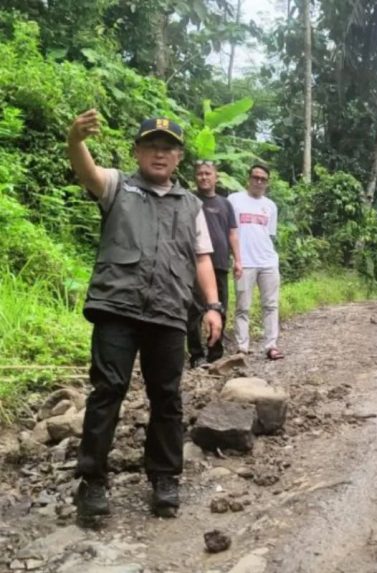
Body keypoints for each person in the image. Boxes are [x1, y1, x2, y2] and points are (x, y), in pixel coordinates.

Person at [67, 111, 223, 518]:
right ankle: (92, 481)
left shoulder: (191, 205)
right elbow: (87, 173)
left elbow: (202, 258)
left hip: (169, 310)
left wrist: (212, 306)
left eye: (168, 148)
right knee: (108, 391)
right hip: (116, 307)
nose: (159, 153)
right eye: (152, 145)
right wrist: (75, 140)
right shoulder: (118, 186)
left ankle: (165, 477)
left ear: (178, 158)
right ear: (137, 151)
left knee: (167, 397)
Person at [186, 161, 243, 367]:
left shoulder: (225, 204)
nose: (203, 177)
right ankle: (196, 354)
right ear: (195, 177)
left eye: (207, 173)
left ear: (215, 177)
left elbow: (232, 233)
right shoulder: (189, 200)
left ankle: (215, 353)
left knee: (220, 309)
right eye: (200, 174)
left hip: (219, 264)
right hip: (195, 265)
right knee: (194, 310)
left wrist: (238, 260)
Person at [228, 164, 284, 360]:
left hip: (268, 261)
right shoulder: (234, 200)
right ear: (249, 178)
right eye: (255, 177)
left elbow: (269, 234)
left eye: (263, 179)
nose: (259, 181)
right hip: (244, 262)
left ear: (267, 183)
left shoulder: (270, 206)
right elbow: (231, 231)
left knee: (271, 305)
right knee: (242, 307)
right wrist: (236, 258)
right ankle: (242, 347)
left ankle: (271, 345)